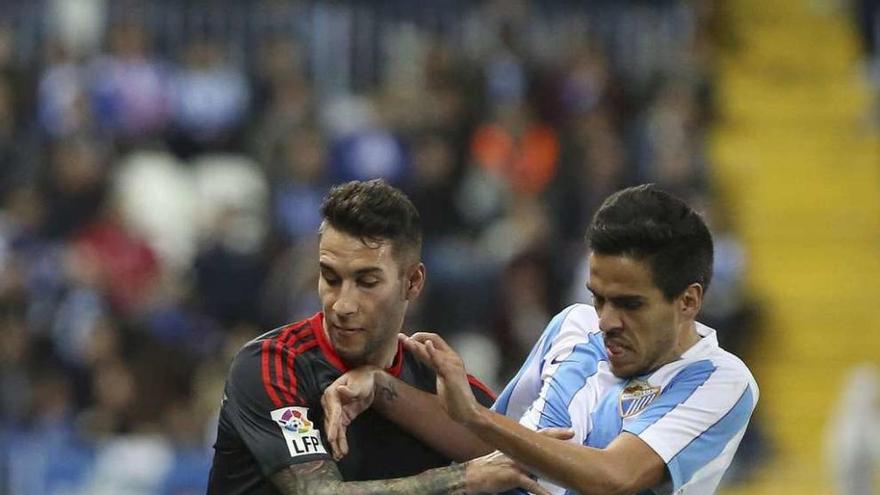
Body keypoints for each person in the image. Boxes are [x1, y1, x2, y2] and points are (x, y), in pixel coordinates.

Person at [323, 184, 760, 494]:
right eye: (598, 298)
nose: (606, 320)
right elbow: (500, 447)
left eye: (630, 304)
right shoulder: (573, 326)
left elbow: (614, 477)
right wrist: (380, 388)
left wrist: (476, 416)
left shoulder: (718, 380)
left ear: (688, 301)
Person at [207, 179, 554, 494]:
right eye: (330, 278)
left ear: (413, 283)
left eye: (367, 282)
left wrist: (380, 388)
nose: (342, 304)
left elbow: (529, 459)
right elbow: (317, 493)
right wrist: (464, 479)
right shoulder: (272, 365)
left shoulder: (441, 386)